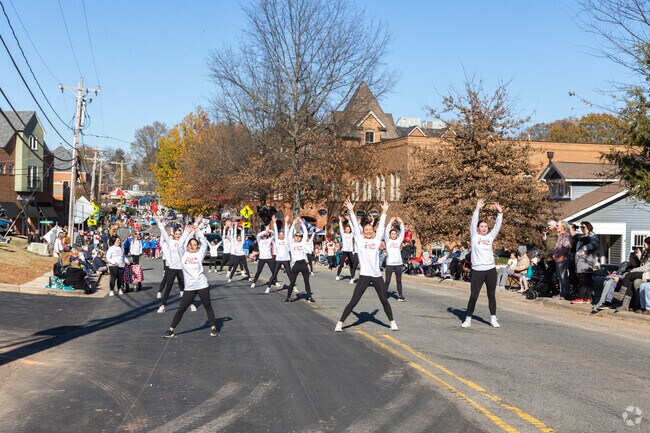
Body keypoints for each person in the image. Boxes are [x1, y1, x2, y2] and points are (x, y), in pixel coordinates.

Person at [335, 200, 398, 332]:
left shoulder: (376, 240)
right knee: (354, 301)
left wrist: (385, 212)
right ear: (363, 232)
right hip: (364, 276)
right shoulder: (359, 239)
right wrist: (351, 211)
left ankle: (392, 322)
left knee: (384, 300)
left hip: (376, 276)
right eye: (366, 230)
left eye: (370, 229)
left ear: (373, 231)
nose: (368, 231)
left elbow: (381, 227)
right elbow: (355, 228)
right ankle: (340, 323)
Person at [163, 216, 218, 338]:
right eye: (191, 244)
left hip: (202, 285)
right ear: (188, 246)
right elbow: (180, 243)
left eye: (195, 244)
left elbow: (204, 243)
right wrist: (187, 232)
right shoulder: (183, 255)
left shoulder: (200, 254)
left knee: (207, 305)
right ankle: (171, 330)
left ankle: (213, 328)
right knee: (182, 308)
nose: (193, 246)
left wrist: (198, 230)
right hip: (190, 287)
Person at [461, 199, 503, 329]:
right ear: (478, 229)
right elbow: (473, 222)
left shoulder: (490, 237)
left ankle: (493, 319)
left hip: (490, 269)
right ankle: (468, 319)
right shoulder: (474, 237)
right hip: (478, 270)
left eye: (486, 226)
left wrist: (500, 213)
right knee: (474, 296)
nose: (484, 228)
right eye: (482, 226)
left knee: (491, 295)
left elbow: (497, 226)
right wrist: (477, 209)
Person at [154, 218, 186, 313]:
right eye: (176, 234)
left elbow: (189, 234)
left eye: (179, 234)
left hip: (182, 268)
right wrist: (159, 223)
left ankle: (191, 303)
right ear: (174, 235)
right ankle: (163, 306)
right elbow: (163, 234)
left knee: (187, 287)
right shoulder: (170, 242)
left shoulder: (183, 242)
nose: (178, 236)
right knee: (168, 287)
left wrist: (196, 224)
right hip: (172, 268)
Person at [615, 237, 650, 312]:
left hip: (647, 274)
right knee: (631, 282)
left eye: (645, 243)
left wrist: (634, 270)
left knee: (628, 276)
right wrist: (638, 253)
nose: (644, 244)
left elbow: (646, 267)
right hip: (643, 272)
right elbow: (643, 262)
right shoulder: (646, 252)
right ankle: (625, 305)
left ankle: (621, 295)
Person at [285, 218, 315, 303]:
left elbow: (305, 233)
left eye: (299, 236)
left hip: (303, 263)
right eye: (296, 236)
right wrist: (293, 224)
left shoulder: (302, 243)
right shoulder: (291, 244)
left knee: (307, 282)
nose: (298, 237)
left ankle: (309, 297)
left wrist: (302, 223)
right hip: (296, 264)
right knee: (292, 282)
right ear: (294, 237)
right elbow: (289, 234)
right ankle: (288, 297)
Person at [571, 221, 599, 305]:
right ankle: (586, 298)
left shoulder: (592, 236)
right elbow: (577, 250)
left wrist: (584, 248)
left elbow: (594, 244)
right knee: (582, 280)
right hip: (580, 262)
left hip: (587, 261)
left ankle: (582, 297)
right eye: (581, 227)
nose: (582, 229)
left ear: (588, 227)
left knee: (585, 281)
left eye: (583, 227)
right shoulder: (582, 237)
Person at [267, 215, 292, 290]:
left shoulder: (286, 240)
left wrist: (286, 221)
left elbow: (287, 231)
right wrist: (274, 222)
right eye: (280, 235)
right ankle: (268, 287)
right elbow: (275, 231)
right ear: (278, 236)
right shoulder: (277, 241)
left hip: (286, 259)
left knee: (289, 274)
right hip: (278, 259)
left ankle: (293, 286)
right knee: (274, 274)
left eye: (282, 235)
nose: (282, 236)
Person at [384, 217, 405, 301]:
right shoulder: (387, 241)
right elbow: (386, 231)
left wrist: (401, 223)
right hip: (389, 263)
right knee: (387, 281)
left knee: (399, 280)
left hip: (398, 263)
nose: (393, 235)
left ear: (396, 235)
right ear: (390, 235)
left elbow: (403, 233)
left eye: (394, 234)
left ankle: (400, 296)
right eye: (392, 234)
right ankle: (384, 295)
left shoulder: (399, 240)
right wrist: (390, 222)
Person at [553, 220, 573, 299]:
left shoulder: (566, 235)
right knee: (560, 277)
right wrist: (554, 254)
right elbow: (557, 247)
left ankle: (565, 293)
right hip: (558, 259)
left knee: (563, 276)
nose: (556, 227)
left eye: (558, 225)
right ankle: (562, 293)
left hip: (563, 258)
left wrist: (557, 254)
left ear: (563, 226)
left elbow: (566, 247)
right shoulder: (560, 235)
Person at [251, 225, 275, 290]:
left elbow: (274, 234)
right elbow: (258, 235)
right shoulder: (259, 240)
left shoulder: (269, 240)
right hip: (262, 258)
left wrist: (269, 231)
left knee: (273, 271)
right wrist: (265, 231)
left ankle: (275, 281)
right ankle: (254, 283)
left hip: (269, 258)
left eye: (265, 235)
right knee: (259, 271)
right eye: (264, 235)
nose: (264, 236)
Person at [336, 215, 358, 283]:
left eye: (349, 229)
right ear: (345, 230)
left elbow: (353, 229)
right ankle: (337, 275)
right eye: (347, 229)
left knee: (352, 264)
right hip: (344, 251)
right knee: (341, 264)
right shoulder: (343, 234)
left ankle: (352, 277)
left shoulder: (352, 234)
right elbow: (341, 228)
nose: (348, 230)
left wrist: (349, 220)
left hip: (350, 251)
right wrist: (340, 221)